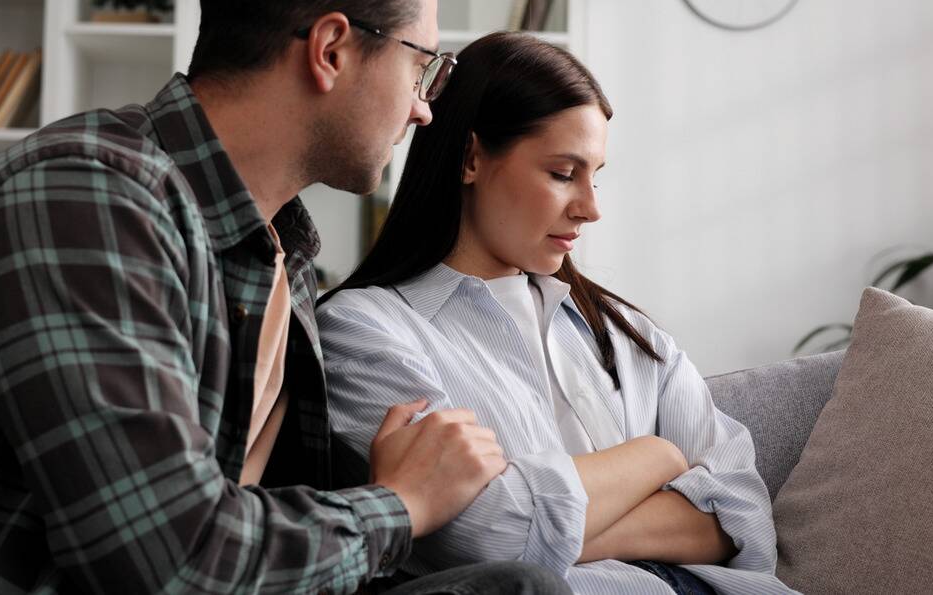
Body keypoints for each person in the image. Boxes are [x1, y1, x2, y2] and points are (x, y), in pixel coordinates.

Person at [0, 0, 571, 593]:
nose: (424, 109)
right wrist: (399, 504)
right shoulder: (82, 196)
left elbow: (271, 509)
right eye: (424, 66)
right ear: (331, 50)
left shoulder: (276, 252)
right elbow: (167, 560)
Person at [317, 32, 798, 595]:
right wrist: (657, 456)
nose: (591, 208)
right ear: (471, 158)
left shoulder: (627, 333)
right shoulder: (366, 329)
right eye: (563, 173)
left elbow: (745, 519)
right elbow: (483, 540)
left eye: (596, 175)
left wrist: (563, 533)